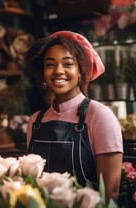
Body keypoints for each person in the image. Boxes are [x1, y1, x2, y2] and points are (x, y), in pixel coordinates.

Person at [25, 31, 123, 203]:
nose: (58, 71)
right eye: (50, 65)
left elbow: (110, 194)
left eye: (68, 64)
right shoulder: (36, 121)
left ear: (81, 71)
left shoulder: (99, 115)